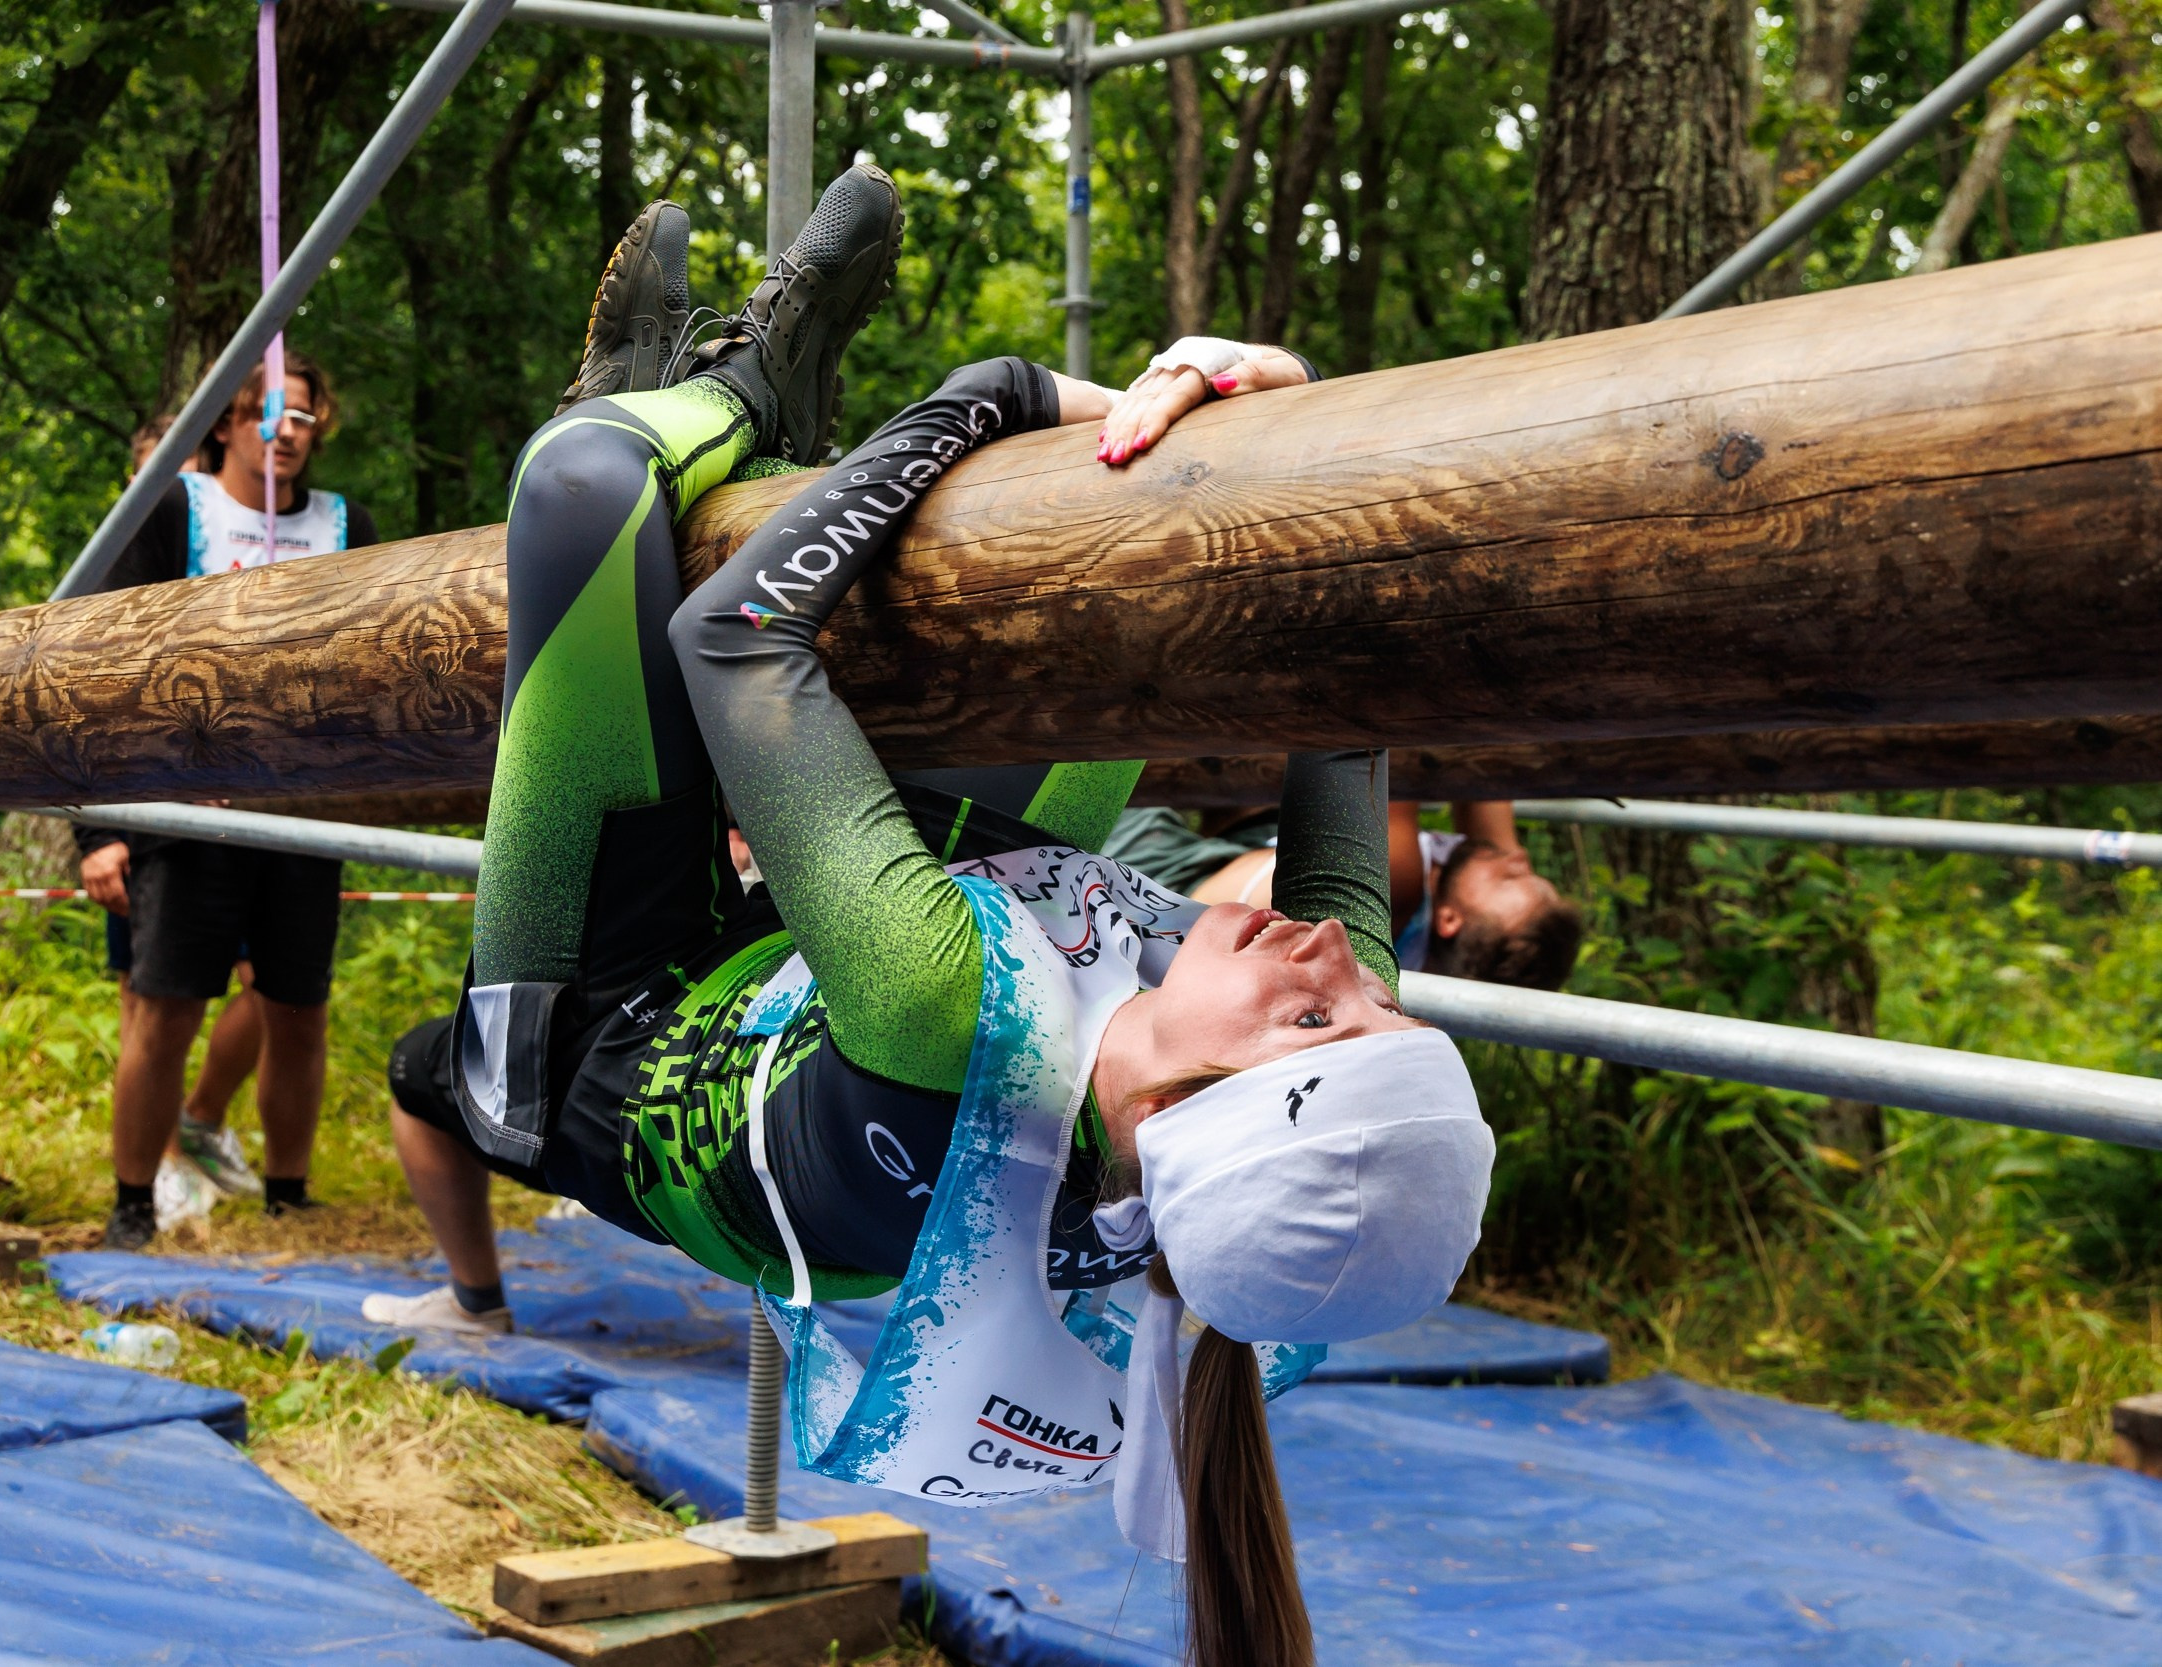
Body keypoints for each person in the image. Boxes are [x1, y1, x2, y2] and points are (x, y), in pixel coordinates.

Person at [372, 173, 1491, 1667]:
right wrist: (1253, 417)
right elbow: (1349, 686)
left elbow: (740, 634)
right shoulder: (1246, 1102)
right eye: (1382, 1007)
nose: (1337, 955)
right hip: (840, 979)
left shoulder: (939, 1010)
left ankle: (722, 399)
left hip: (604, 1033)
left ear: (1163, 1106)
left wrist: (999, 393)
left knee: (584, 487)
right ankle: (731, 421)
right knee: (1100, 576)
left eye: (1314, 1018)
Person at [78, 352, 377, 1249]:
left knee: (298, 1007)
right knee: (166, 1006)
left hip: (299, 809)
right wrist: (104, 825)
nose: (281, 432)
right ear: (223, 424)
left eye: (299, 415)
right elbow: (98, 659)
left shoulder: (346, 522)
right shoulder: (174, 509)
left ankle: (289, 1195)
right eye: (262, 414)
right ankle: (133, 1202)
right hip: (189, 805)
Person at [90, 418, 265, 1216]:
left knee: (263, 989)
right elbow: (89, 703)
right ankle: (157, 1164)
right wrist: (101, 834)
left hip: (247, 820)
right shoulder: (121, 561)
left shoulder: (223, 546)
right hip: (147, 820)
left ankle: (196, 1124)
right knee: (147, 998)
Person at [1107, 798, 1585, 988]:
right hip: (1250, 851)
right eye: (1532, 871)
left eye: (1511, 879)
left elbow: (1382, 732)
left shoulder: (1393, 884)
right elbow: (1489, 788)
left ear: (1450, 920)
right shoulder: (1469, 908)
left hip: (1164, 887)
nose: (1517, 860)